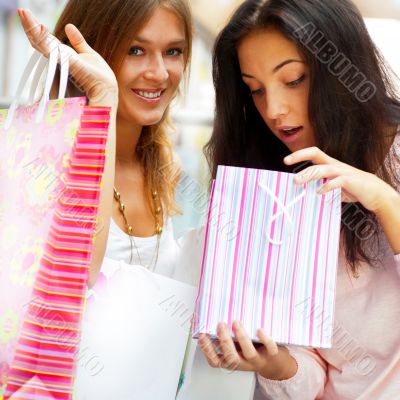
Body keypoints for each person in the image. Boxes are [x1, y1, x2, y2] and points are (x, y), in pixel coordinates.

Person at [199, 0, 400, 399]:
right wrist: (271, 363)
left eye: (293, 80)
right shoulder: (276, 190)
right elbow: (311, 375)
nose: (273, 110)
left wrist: (384, 202)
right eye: (255, 90)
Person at [17, 0, 193, 398]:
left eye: (173, 51)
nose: (159, 72)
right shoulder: (44, 161)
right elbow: (80, 275)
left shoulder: (165, 165)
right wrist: (103, 98)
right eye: (135, 50)